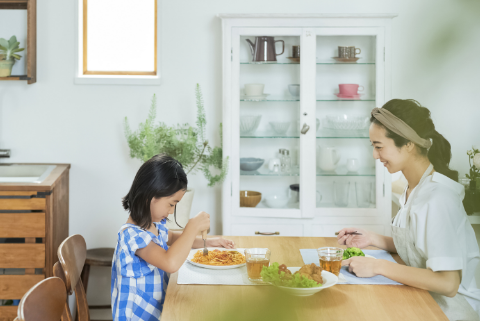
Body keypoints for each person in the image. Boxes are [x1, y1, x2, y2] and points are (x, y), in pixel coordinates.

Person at [337, 99, 480, 321]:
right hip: (424, 298)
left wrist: (377, 266)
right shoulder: (413, 187)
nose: (375, 156)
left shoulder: (438, 199)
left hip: (453, 311)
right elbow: (422, 246)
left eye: (379, 146)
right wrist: (373, 239)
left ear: (409, 144)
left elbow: (448, 283)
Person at [111, 154, 235, 321]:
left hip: (158, 310)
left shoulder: (153, 225)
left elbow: (172, 237)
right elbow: (170, 263)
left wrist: (208, 242)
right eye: (171, 204)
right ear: (150, 196)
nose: (171, 211)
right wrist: (192, 227)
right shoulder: (132, 236)